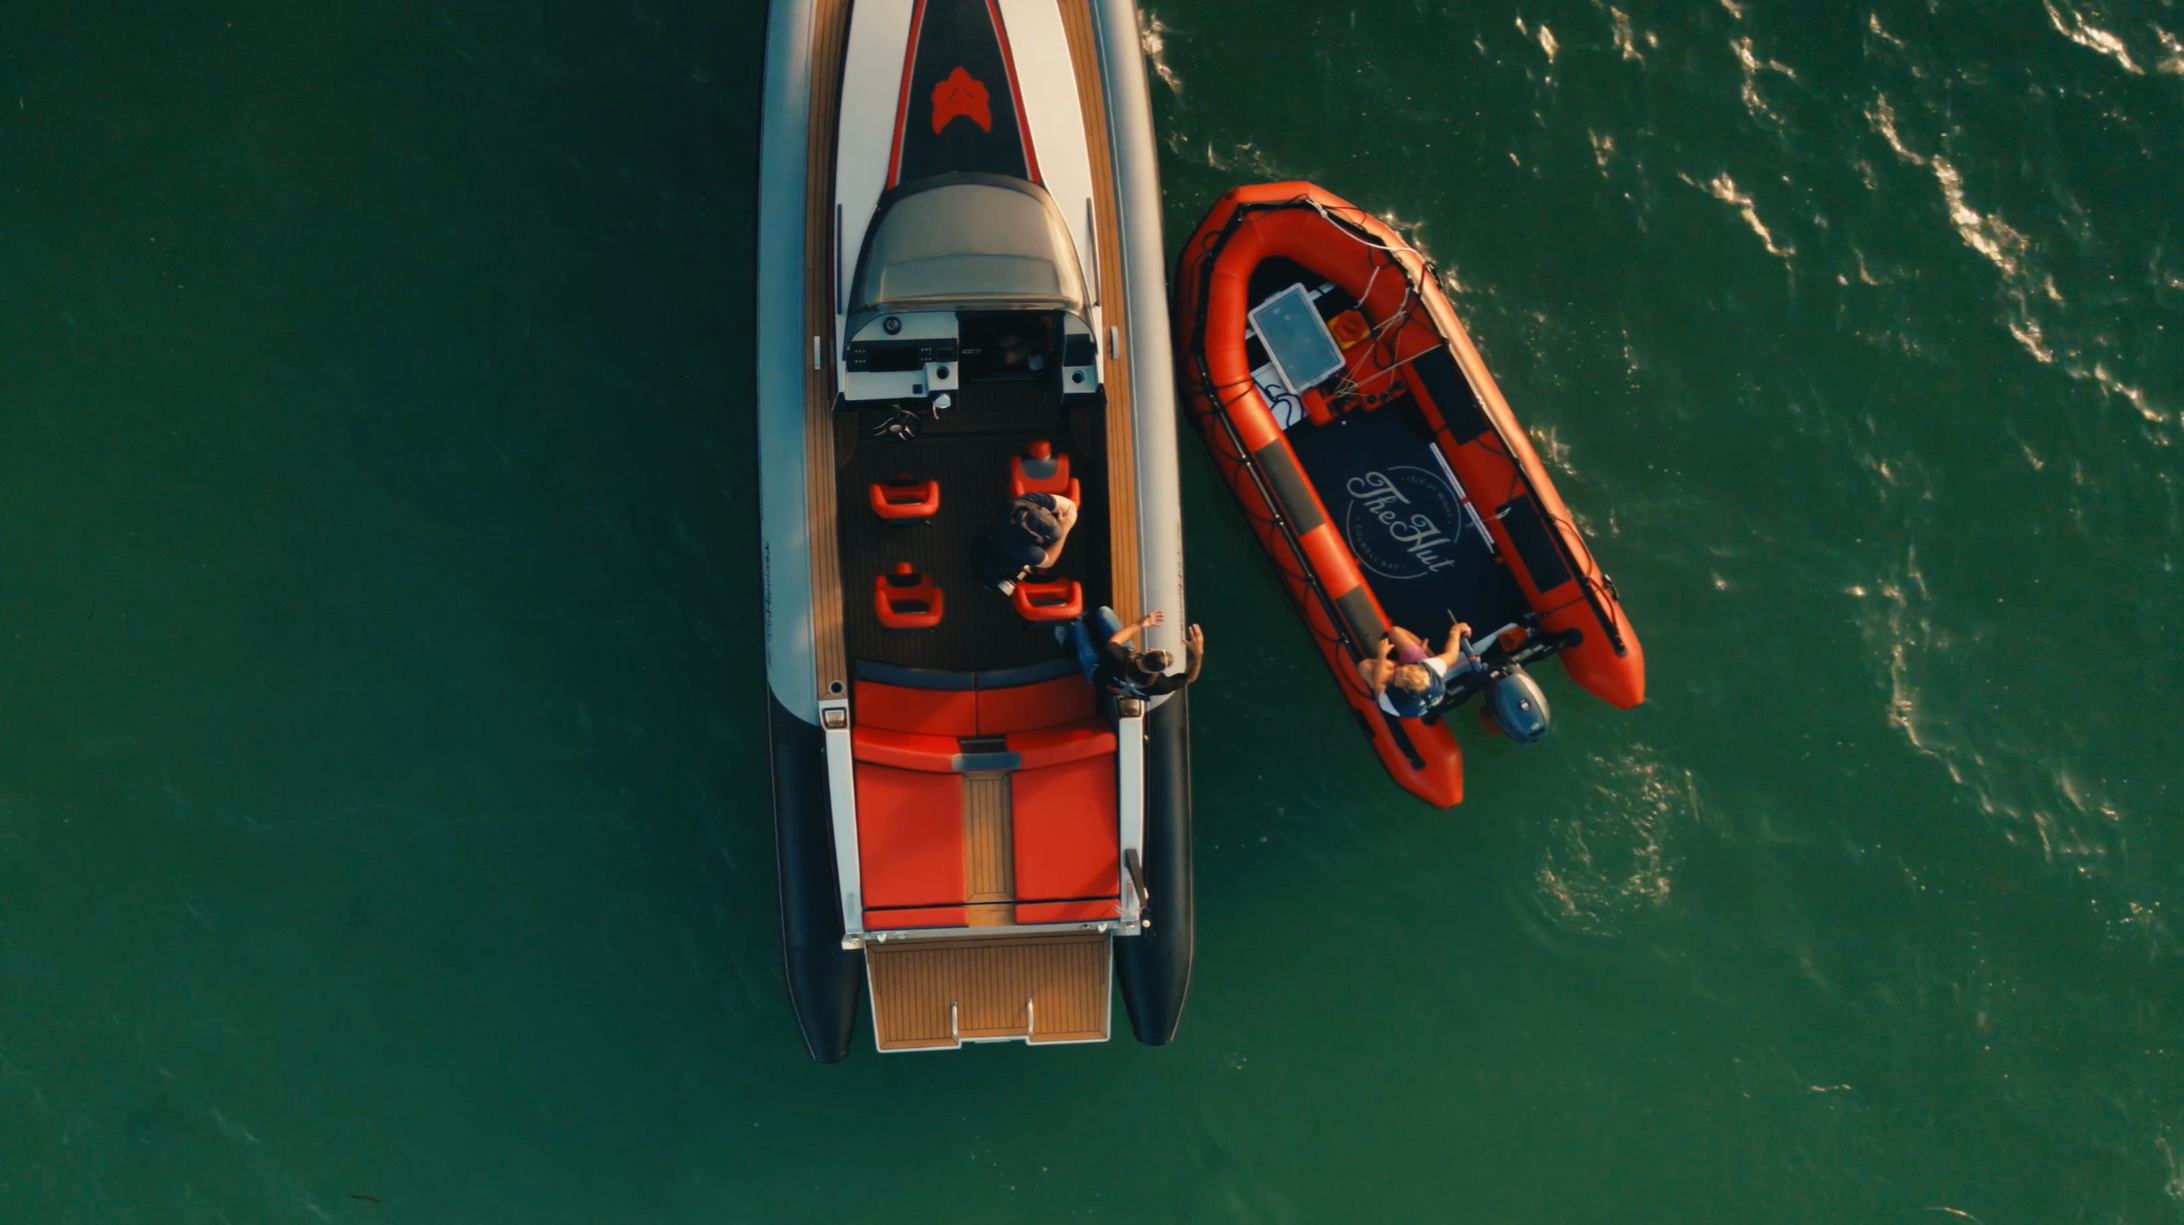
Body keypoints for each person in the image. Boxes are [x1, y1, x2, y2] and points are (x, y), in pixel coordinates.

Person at [1066, 607, 1203, 698]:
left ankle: (1066, 637)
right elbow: (1190, 677)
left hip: (1096, 671)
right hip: (1110, 686)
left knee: (1081, 624)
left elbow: (1114, 641)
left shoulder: (1117, 655)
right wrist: (1198, 655)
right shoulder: (1161, 685)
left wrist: (1140, 623)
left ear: (1148, 651)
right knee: (1087, 628)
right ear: (1157, 672)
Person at [1358, 621, 1475, 719]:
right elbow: (1452, 655)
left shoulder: (1390, 703)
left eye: (1393, 676)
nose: (1393, 671)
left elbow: (1379, 683)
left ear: (1403, 690)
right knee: (1395, 632)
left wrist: (1382, 654)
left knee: (1364, 667)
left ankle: (1399, 662)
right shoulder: (1431, 668)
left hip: (1404, 698)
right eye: (1399, 669)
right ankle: (1423, 653)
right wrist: (1455, 630)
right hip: (1422, 669)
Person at [970, 491, 1078, 594]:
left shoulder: (1028, 501)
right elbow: (1049, 561)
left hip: (984, 540)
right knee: (1000, 580)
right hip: (991, 572)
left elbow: (1070, 506)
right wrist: (1065, 527)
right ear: (1031, 532)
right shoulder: (1018, 545)